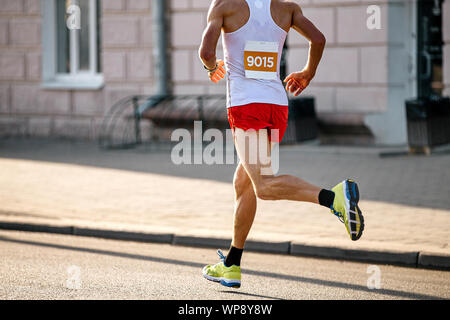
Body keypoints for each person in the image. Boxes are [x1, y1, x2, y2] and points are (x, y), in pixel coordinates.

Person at [198, 0, 364, 289]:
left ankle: (334, 197)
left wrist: (211, 67)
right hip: (276, 105)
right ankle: (232, 264)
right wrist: (307, 72)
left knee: (262, 185)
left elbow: (206, 52)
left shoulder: (224, 5)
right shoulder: (286, 8)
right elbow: (318, 39)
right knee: (244, 182)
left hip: (245, 105)